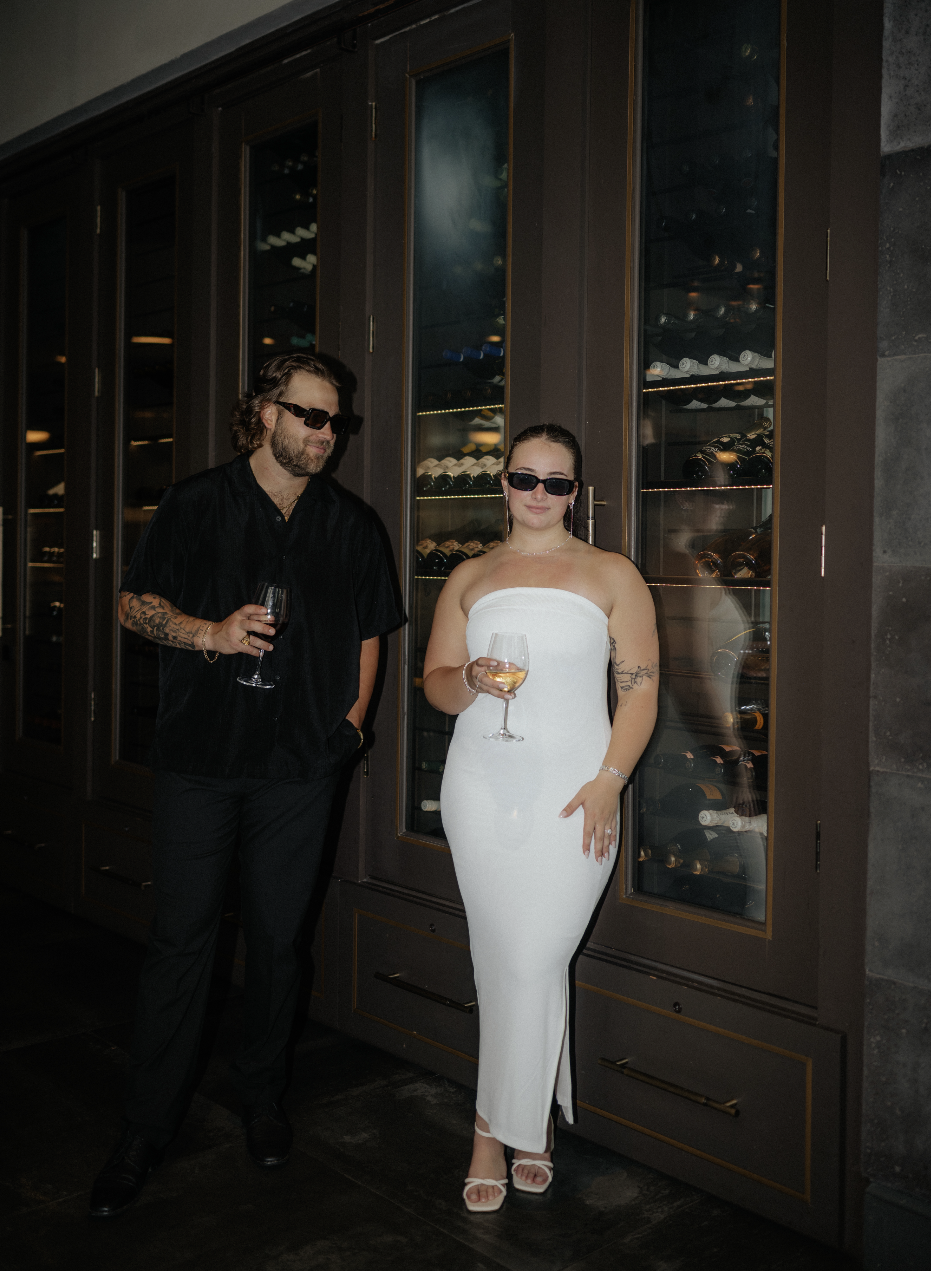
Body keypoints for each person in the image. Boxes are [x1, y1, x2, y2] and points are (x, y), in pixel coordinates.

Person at [89, 353, 402, 1218]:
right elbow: (131, 604)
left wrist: (350, 726)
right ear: (264, 413)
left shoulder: (351, 523)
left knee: (276, 944)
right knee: (181, 942)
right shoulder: (196, 503)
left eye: (337, 422)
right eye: (309, 416)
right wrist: (207, 634)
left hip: (302, 769)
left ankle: (261, 1098)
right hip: (201, 760)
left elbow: (372, 629)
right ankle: (145, 1126)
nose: (325, 435)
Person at [423, 423, 658, 1212]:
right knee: (502, 960)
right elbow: (437, 687)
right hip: (480, 790)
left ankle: (493, 1123)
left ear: (576, 494)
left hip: (576, 796)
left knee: (530, 958)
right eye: (526, 479)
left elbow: (641, 690)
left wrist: (609, 781)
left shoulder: (612, 574)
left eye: (557, 483)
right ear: (504, 483)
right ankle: (521, 1128)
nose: (539, 495)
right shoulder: (469, 575)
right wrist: (474, 682)